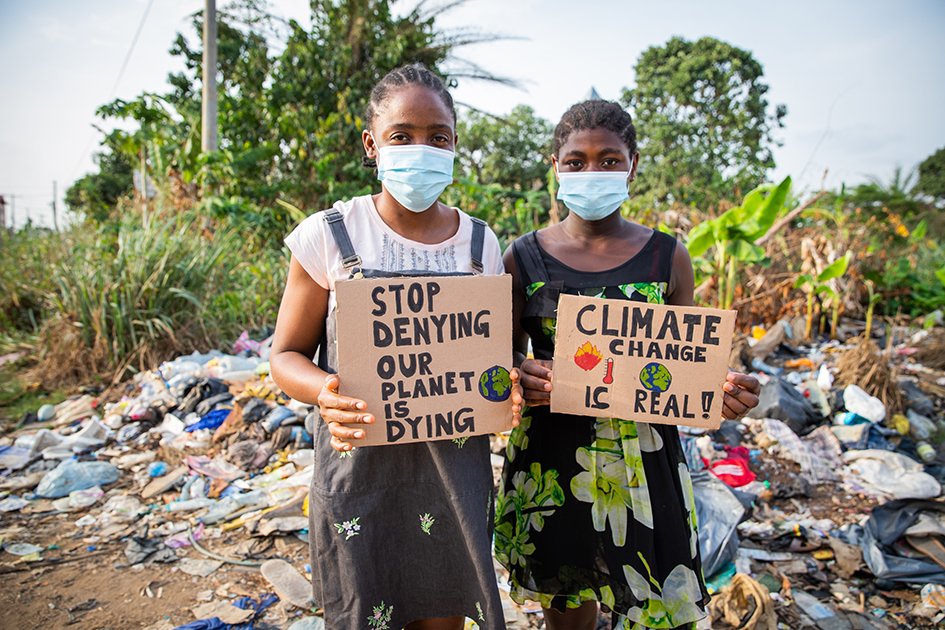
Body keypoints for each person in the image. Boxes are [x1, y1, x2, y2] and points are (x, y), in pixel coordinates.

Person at [494, 100, 761, 630]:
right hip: (553, 457)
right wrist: (519, 375)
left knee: (656, 604)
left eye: (609, 159)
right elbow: (501, 359)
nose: (592, 172)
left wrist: (722, 389)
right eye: (576, 161)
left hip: (646, 457)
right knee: (567, 605)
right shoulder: (521, 257)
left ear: (633, 165)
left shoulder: (668, 256)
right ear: (555, 167)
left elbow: (685, 362)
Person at [270, 64, 520, 630]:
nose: (421, 149)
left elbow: (486, 357)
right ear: (371, 144)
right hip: (361, 473)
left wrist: (506, 387)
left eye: (439, 137)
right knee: (365, 610)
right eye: (401, 135)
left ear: (455, 146)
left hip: (454, 474)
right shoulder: (329, 234)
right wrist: (324, 392)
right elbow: (285, 356)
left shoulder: (480, 243)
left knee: (444, 613)